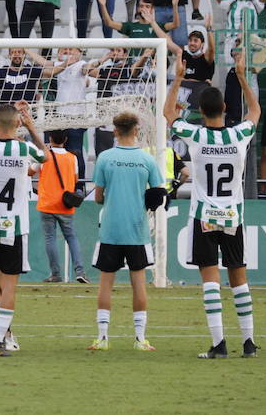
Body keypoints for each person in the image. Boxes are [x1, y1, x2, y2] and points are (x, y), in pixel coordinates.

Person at [164, 52, 261, 359]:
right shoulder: (239, 134)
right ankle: (248, 342)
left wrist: (179, 76)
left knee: (210, 280)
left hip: (204, 215)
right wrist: (243, 77)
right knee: (239, 278)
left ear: (201, 112)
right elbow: (256, 111)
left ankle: (219, 344)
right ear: (225, 109)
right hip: (233, 214)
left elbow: (168, 114)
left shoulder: (196, 134)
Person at [89, 111, 164, 352]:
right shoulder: (147, 159)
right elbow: (158, 195)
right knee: (139, 284)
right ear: (137, 130)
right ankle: (140, 339)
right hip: (137, 229)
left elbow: (98, 196)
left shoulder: (105, 158)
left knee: (105, 284)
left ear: (115, 131)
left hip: (111, 228)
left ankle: (102, 338)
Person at [0, 100, 45, 358]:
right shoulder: (22, 148)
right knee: (10, 283)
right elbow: (46, 157)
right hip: (12, 225)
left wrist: (1, 124)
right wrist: (32, 127)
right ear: (18, 123)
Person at [37, 130, 87, 284]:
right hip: (65, 203)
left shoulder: (44, 156)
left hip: (47, 203)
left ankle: (55, 273)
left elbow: (30, 171)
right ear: (66, 139)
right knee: (71, 237)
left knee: (50, 238)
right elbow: (76, 178)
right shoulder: (72, 158)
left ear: (50, 139)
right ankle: (80, 271)